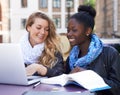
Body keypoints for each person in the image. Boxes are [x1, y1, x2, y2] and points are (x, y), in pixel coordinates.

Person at [65, 5, 120, 95]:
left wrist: (90, 76)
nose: (69, 34)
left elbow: (117, 89)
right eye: (68, 30)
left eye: (74, 30)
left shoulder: (109, 54)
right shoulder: (71, 58)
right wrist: (68, 77)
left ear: (88, 31)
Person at [20, 11, 64, 77]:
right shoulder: (18, 48)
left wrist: (40, 69)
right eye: (38, 28)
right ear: (28, 27)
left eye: (47, 29)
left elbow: (60, 73)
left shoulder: (53, 49)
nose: (43, 32)